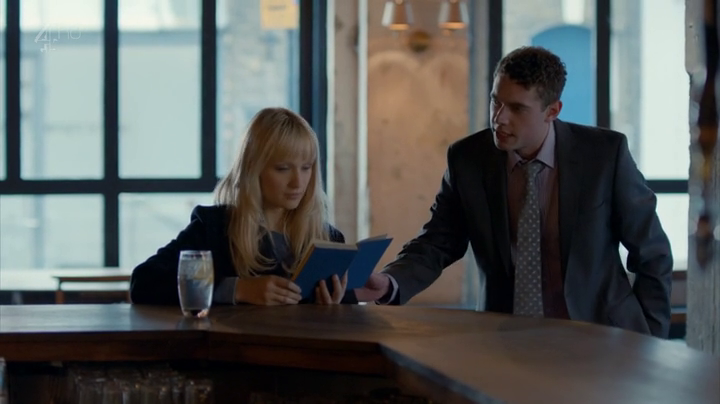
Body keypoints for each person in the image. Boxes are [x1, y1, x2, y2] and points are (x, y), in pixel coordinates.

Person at [355, 46, 673, 338]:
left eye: (517, 108)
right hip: (506, 339)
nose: (499, 118)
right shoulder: (468, 159)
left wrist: (651, 337)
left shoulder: (604, 155)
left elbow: (651, 252)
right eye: (496, 101)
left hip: (601, 336)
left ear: (552, 111)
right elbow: (437, 242)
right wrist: (390, 281)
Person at [131, 107, 354, 306]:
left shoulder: (328, 239)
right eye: (283, 168)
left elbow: (347, 309)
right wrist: (237, 289)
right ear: (253, 169)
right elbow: (144, 282)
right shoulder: (214, 228)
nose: (298, 182)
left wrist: (333, 306)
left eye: (306, 168)